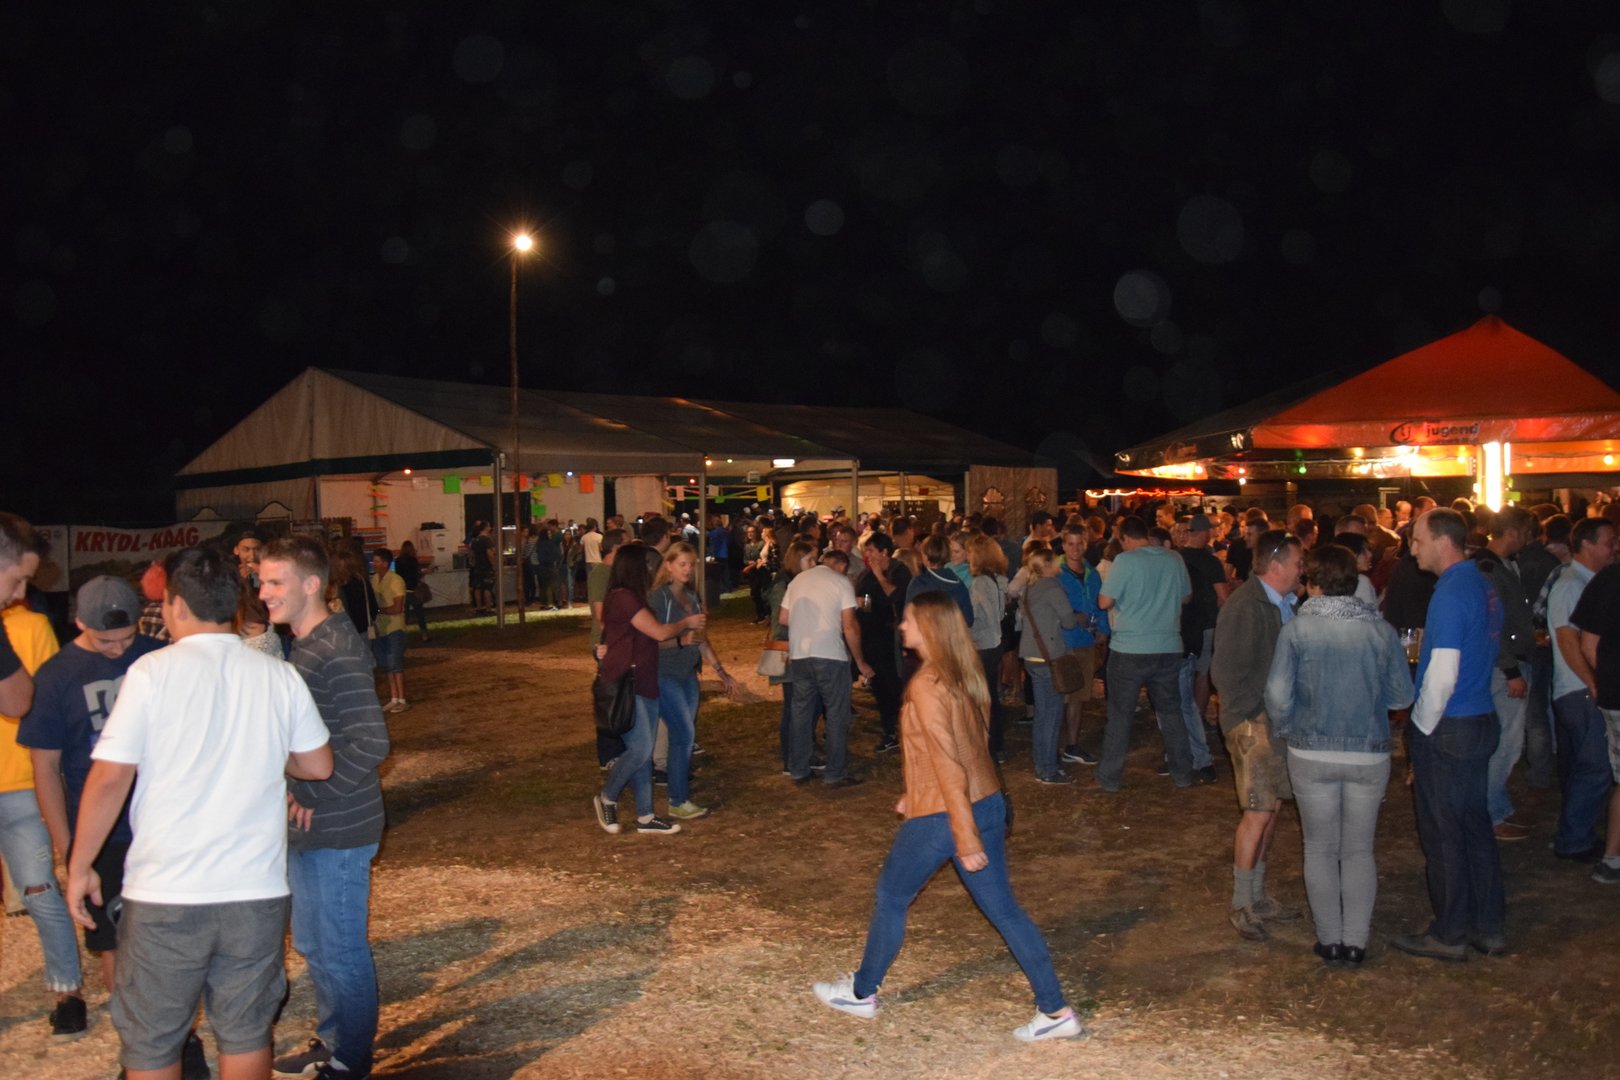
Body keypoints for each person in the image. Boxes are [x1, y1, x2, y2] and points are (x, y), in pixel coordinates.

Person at [66, 546, 333, 1080]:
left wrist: (79, 865)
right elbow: (317, 764)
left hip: (167, 890)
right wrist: (262, 750)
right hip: (254, 889)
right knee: (246, 1030)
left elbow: (111, 777)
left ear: (177, 605)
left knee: (153, 1039)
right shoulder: (277, 675)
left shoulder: (151, 672)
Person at [811, 592, 1082, 1042]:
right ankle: (1055, 1011)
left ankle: (860, 993)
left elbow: (948, 760)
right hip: (984, 800)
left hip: (948, 813)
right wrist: (915, 791)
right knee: (1004, 910)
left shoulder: (927, 683)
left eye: (909, 620)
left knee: (891, 895)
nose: (902, 626)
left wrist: (965, 834)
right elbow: (968, 743)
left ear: (930, 627)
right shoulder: (965, 671)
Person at [260, 537, 392, 1080]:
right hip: (313, 825)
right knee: (314, 944)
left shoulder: (334, 649)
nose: (264, 593)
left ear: (311, 584)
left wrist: (312, 793)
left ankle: (350, 1059)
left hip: (339, 826)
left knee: (339, 948)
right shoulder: (306, 644)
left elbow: (372, 741)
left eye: (276, 582)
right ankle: (334, 1038)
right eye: (262, 582)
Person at [23, 575, 168, 1043]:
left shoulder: (158, 656)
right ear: (80, 623)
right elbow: (46, 770)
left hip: (163, 824)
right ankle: (140, 1045)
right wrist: (71, 848)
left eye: (127, 637)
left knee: (169, 943)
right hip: (101, 834)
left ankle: (175, 1038)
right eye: (107, 640)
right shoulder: (56, 676)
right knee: (115, 945)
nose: (119, 648)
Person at [1264, 545, 1413, 967]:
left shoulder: (1297, 630)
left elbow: (1277, 694)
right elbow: (1402, 696)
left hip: (1311, 751)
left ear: (1313, 583)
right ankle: (1355, 940)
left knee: (1319, 848)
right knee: (1359, 849)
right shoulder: (1380, 631)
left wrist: (1287, 726)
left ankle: (1329, 938)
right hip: (1368, 752)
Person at [1392, 508, 1507, 962]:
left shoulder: (1451, 593)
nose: (1412, 549)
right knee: (1474, 826)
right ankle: (1488, 925)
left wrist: (1419, 734)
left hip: (1450, 726)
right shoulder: (1482, 583)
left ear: (1443, 541)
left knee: (1443, 835)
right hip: (1479, 717)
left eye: (1417, 540)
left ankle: (1450, 932)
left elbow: (1441, 676)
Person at [0, 585, 92, 1038]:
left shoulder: (30, 626)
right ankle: (68, 994)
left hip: (18, 780)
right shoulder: (32, 626)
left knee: (39, 889)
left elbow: (48, 699)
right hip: (20, 779)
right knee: (40, 890)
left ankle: (68, 991)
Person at [1212, 529, 1304, 942]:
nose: (1302, 571)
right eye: (1297, 563)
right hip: (1254, 724)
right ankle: (1241, 904)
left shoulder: (1282, 604)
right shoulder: (1246, 606)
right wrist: (1255, 713)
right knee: (1258, 811)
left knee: (1272, 809)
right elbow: (1225, 673)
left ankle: (1258, 895)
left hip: (1274, 722)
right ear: (1277, 564)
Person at [592, 542, 706, 835]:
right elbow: (658, 632)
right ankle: (607, 796)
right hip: (627, 682)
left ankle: (646, 816)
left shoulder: (637, 597)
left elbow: (618, 636)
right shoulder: (624, 597)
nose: (656, 570)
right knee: (642, 748)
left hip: (644, 678)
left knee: (642, 749)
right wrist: (685, 623)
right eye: (652, 564)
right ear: (637, 567)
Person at [1095, 516, 1194, 792]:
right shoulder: (1174, 558)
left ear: (1125, 538)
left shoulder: (1125, 561)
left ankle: (1109, 776)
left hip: (1129, 648)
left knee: (1120, 714)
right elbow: (1186, 596)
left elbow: (1104, 601)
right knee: (1171, 712)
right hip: (1168, 645)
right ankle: (1183, 772)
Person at [1546, 517, 1618, 862]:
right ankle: (1574, 840)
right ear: (1586, 544)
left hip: (1580, 688)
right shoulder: (1571, 584)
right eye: (1608, 542)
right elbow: (1568, 640)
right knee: (1596, 767)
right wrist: (1594, 683)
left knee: (1586, 767)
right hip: (1579, 689)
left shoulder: (1585, 583)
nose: (1613, 548)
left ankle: (1576, 834)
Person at [649, 542, 737, 821]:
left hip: (688, 675)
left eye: (691, 564)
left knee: (684, 736)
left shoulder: (692, 596)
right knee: (684, 734)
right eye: (682, 564)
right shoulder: (659, 597)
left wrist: (721, 671)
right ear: (669, 565)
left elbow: (700, 639)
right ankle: (677, 799)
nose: (687, 569)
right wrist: (680, 639)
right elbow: (650, 640)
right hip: (664, 674)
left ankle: (679, 794)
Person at [782, 537, 875, 788]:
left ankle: (798, 768)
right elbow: (850, 626)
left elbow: (783, 618)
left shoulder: (797, 581)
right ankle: (835, 772)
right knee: (836, 714)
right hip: (830, 655)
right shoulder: (840, 582)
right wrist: (860, 661)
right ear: (840, 566)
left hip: (801, 655)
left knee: (801, 713)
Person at [1470, 507, 1536, 841]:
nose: (1528, 538)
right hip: (1503, 667)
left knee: (1504, 742)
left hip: (1505, 663)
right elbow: (1491, 624)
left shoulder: (1499, 565)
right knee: (1505, 744)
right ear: (1512, 532)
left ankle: (1497, 806)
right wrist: (1510, 668)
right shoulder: (1489, 568)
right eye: (1525, 532)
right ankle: (1491, 814)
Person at [1572, 558, 1620, 883]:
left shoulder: (1607, 579)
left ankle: (1612, 859)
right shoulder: (1609, 580)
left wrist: (1606, 681)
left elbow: (1588, 644)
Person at [1018, 549, 1079, 784]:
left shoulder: (1030, 587)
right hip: (1048, 656)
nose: (1059, 564)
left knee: (1043, 714)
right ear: (1047, 565)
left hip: (1032, 655)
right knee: (1051, 714)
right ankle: (1047, 769)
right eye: (1055, 561)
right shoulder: (1052, 588)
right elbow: (1069, 621)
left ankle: (1043, 761)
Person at [1175, 515, 1225, 784]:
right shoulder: (1209, 561)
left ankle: (1188, 753)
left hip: (1178, 634)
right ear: (1205, 533)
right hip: (1202, 628)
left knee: (1180, 698)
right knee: (1199, 680)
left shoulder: (1177, 559)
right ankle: (1196, 747)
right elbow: (1223, 597)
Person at [1056, 524, 1108, 768]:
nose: (1075, 549)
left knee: (1079, 696)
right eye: (1070, 543)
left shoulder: (1092, 573)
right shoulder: (1055, 572)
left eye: (1080, 543)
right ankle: (1054, 744)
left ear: (1086, 544)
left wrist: (1103, 629)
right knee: (1059, 696)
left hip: (1085, 640)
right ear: (1063, 545)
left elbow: (1100, 604)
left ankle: (1072, 745)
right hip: (1062, 642)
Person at [856, 532, 911, 756]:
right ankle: (890, 731)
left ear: (884, 552)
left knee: (896, 685)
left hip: (893, 639)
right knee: (880, 687)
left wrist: (880, 575)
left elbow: (897, 597)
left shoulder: (899, 571)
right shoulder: (865, 574)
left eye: (871, 550)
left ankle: (903, 730)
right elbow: (862, 600)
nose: (867, 555)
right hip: (872, 639)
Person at [965, 533, 1010, 761]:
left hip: (983, 644)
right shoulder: (996, 579)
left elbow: (985, 616)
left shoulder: (981, 582)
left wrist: (965, 623)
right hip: (994, 643)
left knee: (983, 698)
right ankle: (996, 744)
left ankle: (989, 745)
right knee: (991, 695)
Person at [370, 548, 408, 713]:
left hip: (394, 627)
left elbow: (397, 608)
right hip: (382, 628)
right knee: (388, 665)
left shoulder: (396, 580)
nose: (374, 564)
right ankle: (394, 698)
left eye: (377, 561)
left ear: (386, 563)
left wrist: (378, 610)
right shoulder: (375, 579)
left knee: (395, 665)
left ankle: (402, 699)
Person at [395, 539, 430, 641]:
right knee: (419, 614)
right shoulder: (413, 560)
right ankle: (424, 634)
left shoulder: (398, 561)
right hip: (413, 590)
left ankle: (401, 636)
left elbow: (397, 576)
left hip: (403, 591)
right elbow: (417, 574)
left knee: (404, 615)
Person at [469, 522, 496, 614]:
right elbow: (489, 554)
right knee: (487, 588)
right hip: (486, 566)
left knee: (478, 587)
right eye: (489, 526)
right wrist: (494, 565)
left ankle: (479, 608)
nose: (490, 528)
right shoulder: (486, 540)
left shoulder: (475, 540)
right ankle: (488, 608)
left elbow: (472, 554)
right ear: (486, 527)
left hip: (477, 567)